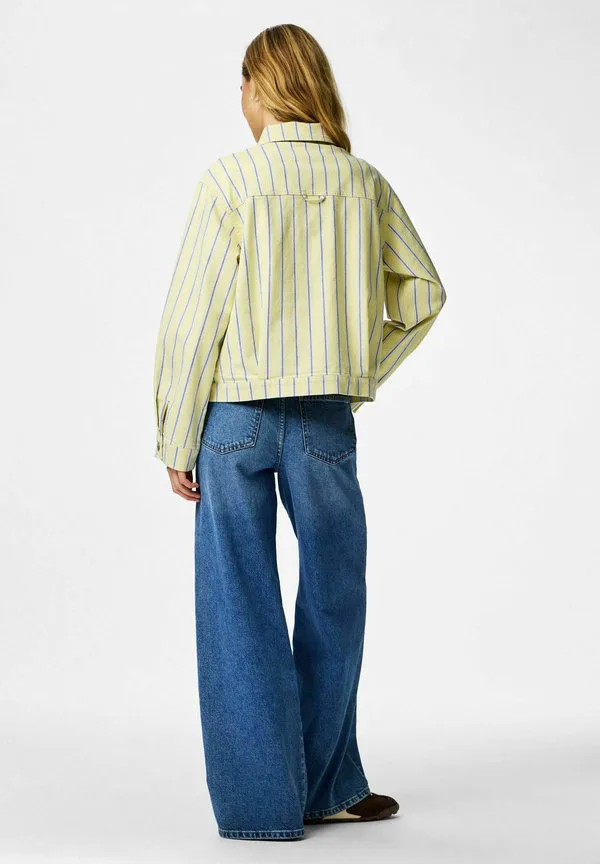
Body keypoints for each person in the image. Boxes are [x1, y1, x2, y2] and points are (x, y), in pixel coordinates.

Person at [152, 23, 447, 842]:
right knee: (335, 597)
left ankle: (260, 807)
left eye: (243, 84)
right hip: (323, 421)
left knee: (236, 602)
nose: (239, 99)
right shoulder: (363, 182)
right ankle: (326, 786)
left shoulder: (230, 181)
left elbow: (191, 323)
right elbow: (422, 294)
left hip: (234, 422)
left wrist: (176, 434)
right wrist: (357, 371)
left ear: (261, 87)